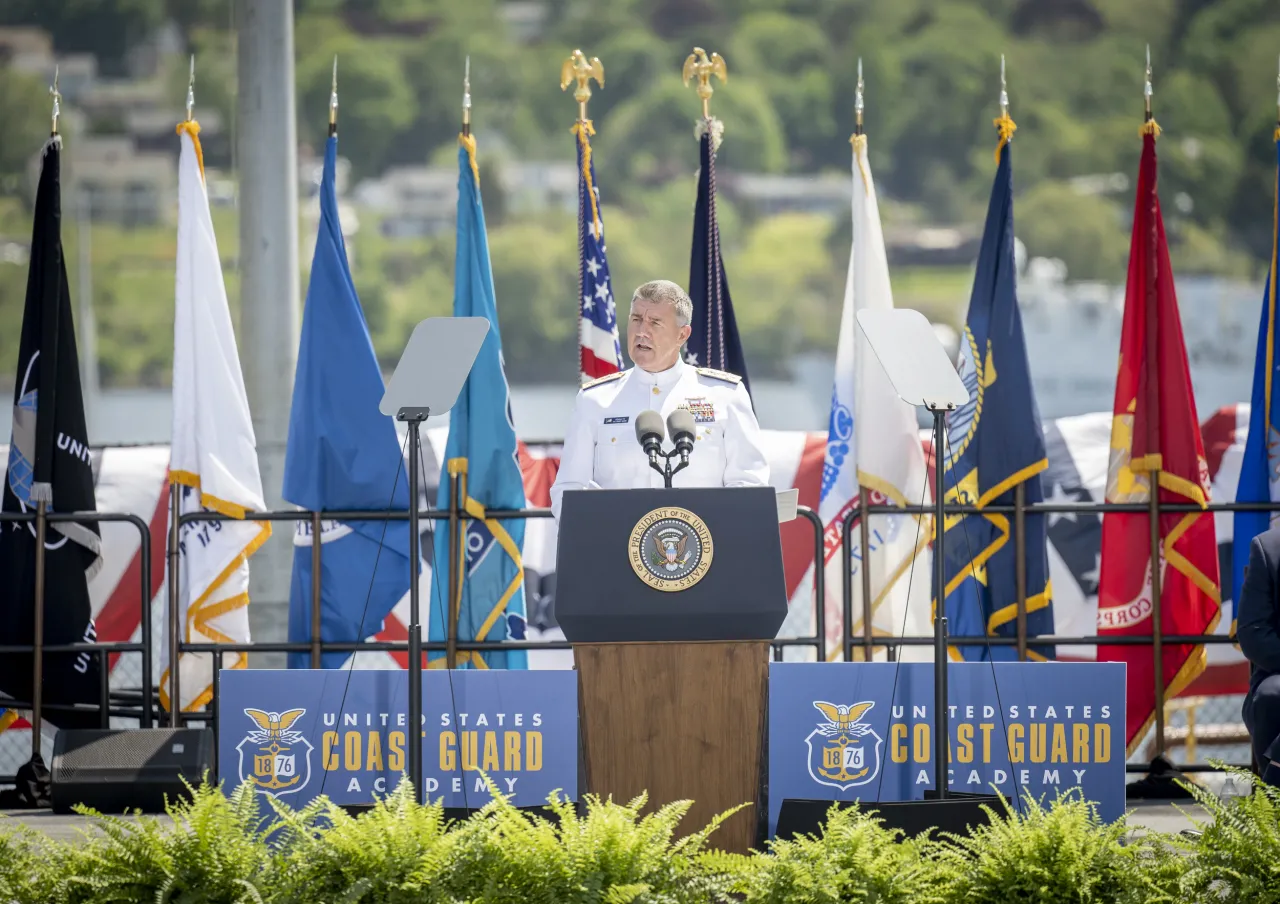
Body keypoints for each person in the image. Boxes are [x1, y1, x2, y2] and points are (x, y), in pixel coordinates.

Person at [550, 278, 768, 521]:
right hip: (616, 551)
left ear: (682, 335)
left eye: (655, 322)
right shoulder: (594, 400)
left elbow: (750, 483)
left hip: (706, 551)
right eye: (636, 319)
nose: (642, 331)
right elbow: (567, 491)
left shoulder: (725, 395)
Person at [1237, 525, 1280, 784]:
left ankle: (1273, 796)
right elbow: (1252, 631)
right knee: (1270, 696)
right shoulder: (1268, 548)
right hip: (1278, 671)